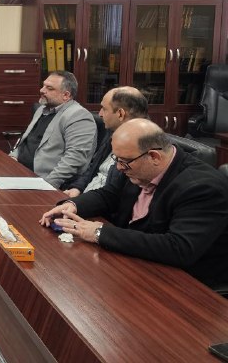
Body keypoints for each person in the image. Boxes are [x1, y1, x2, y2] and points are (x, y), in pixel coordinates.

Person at [40, 118, 228, 292]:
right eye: (116, 160)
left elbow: (178, 247)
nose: (119, 167)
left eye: (123, 162)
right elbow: (109, 195)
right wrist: (72, 205)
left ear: (154, 157)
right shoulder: (136, 165)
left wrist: (99, 232)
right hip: (134, 263)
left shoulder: (202, 187)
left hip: (184, 285)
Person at [9, 71, 96, 189]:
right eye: (43, 85)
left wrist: (45, 186)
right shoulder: (42, 109)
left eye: (49, 88)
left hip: (44, 181)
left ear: (66, 95)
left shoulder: (79, 116)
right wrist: (12, 158)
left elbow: (73, 160)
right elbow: (26, 140)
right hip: (20, 172)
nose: (42, 90)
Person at [63, 86, 148, 197]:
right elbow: (93, 167)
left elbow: (116, 195)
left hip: (100, 203)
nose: (100, 114)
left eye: (104, 109)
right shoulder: (112, 132)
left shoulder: (142, 148)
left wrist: (80, 203)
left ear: (120, 114)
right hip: (85, 197)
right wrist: (77, 188)